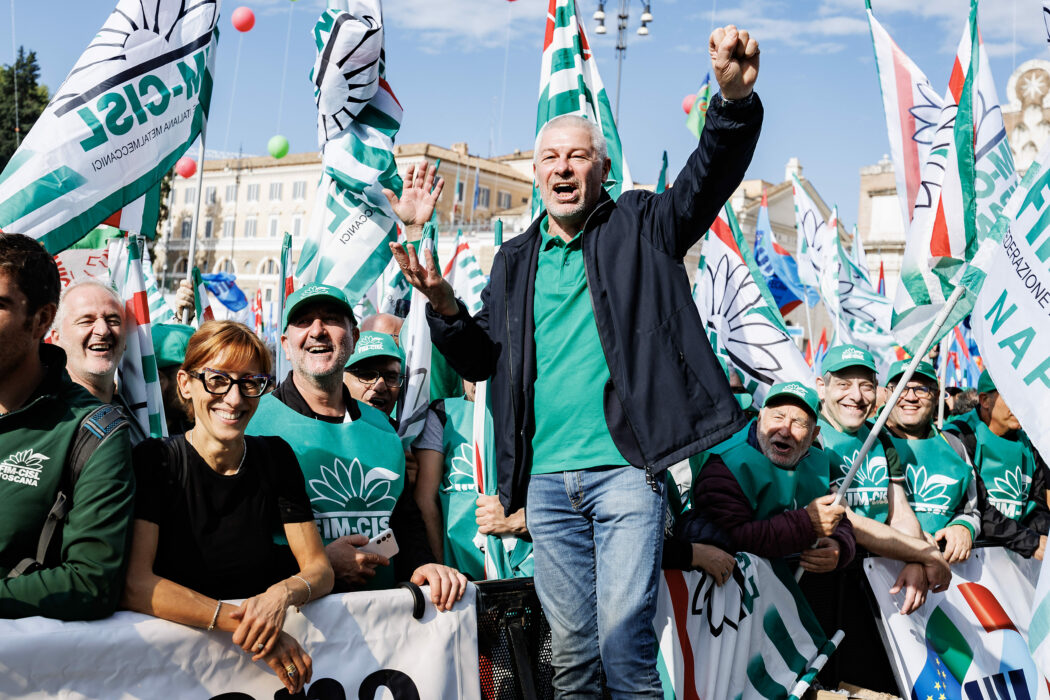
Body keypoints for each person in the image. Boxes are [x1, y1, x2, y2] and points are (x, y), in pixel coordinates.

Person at [391, 26, 761, 694]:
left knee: (625, 655)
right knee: (572, 662)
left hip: (627, 475)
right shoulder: (513, 261)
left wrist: (730, 105)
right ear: (536, 173)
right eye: (550, 157)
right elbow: (480, 362)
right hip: (545, 489)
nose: (563, 168)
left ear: (602, 168)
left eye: (578, 157)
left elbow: (707, 177)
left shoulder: (645, 225)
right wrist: (445, 306)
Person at [122, 321, 333, 694]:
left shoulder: (276, 457)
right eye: (218, 380)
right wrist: (253, 629)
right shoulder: (157, 461)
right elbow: (138, 585)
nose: (234, 399)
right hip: (180, 676)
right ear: (186, 384)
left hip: (259, 679)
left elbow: (319, 569)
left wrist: (279, 596)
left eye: (250, 382)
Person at [246, 284, 467, 608]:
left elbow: (403, 523)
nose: (318, 330)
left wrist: (423, 565)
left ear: (353, 339)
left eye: (331, 319)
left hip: (383, 629)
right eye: (304, 321)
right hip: (291, 631)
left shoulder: (383, 429)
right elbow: (234, 543)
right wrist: (319, 567)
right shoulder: (252, 424)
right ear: (286, 345)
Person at [0, 233, 135, 621]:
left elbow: (91, 582)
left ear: (42, 320)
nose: (103, 330)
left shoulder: (96, 431)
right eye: (87, 320)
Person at [808, 346, 950, 694]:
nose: (856, 396)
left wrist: (912, 559)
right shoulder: (811, 434)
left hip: (873, 585)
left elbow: (899, 510)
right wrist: (923, 553)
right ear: (821, 387)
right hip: (819, 588)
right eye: (843, 383)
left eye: (866, 385)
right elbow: (844, 520)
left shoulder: (879, 436)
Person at [692, 382, 855, 572]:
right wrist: (807, 524)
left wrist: (839, 546)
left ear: (813, 435)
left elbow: (838, 518)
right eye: (778, 417)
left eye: (799, 423)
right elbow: (731, 538)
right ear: (760, 418)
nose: (785, 431)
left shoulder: (816, 463)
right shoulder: (726, 464)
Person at [412, 379, 528, 579]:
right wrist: (441, 568)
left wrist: (524, 519)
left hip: (524, 567)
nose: (478, 382)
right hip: (461, 572)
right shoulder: (443, 414)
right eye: (471, 376)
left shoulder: (527, 409)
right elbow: (425, 499)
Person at [945, 369, 1050, 559]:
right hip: (972, 562)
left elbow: (1038, 505)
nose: (1021, 406)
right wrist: (1030, 543)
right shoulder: (958, 436)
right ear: (985, 400)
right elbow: (976, 507)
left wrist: (1038, 537)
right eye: (1011, 397)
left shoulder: (1029, 441)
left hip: (1013, 558)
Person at [884, 359, 980, 562]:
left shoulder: (954, 446)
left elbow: (971, 510)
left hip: (944, 581)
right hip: (872, 575)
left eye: (922, 389)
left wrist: (964, 526)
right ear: (886, 394)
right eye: (901, 388)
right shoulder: (868, 442)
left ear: (936, 397)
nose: (910, 397)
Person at [51, 280, 147, 445]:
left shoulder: (140, 412)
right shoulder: (43, 418)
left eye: (113, 320)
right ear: (57, 339)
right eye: (86, 321)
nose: (103, 330)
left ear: (126, 340)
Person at [343, 330, 404, 417]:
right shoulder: (321, 428)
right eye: (367, 375)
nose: (380, 387)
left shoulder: (410, 430)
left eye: (391, 377)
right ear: (341, 380)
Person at [152, 322, 195, 435]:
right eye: (191, 378)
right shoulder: (125, 433)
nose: (199, 388)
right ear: (159, 380)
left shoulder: (199, 429)